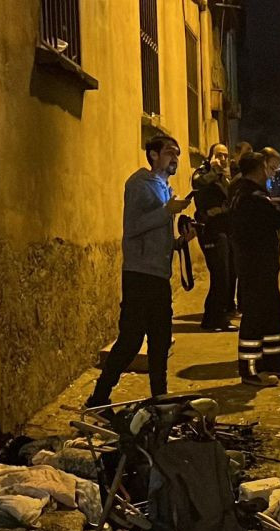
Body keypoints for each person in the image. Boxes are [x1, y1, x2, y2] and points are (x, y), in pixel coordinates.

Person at [87, 135, 194, 407]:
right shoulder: (139, 184)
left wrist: (180, 242)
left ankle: (160, 398)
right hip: (139, 274)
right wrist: (166, 211)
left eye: (177, 153)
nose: (175, 158)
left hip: (159, 276)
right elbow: (133, 227)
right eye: (169, 152)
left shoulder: (165, 188)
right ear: (153, 154)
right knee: (130, 341)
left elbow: (157, 235)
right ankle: (99, 397)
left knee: (160, 340)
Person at [230, 151, 280, 386]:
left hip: (261, 266)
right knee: (255, 316)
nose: (271, 173)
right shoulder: (253, 197)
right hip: (256, 266)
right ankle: (250, 370)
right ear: (258, 169)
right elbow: (276, 217)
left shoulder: (243, 193)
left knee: (272, 312)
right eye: (268, 168)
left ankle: (274, 362)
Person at [192, 142, 238, 331]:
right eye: (219, 155)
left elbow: (230, 196)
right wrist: (213, 170)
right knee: (220, 275)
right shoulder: (202, 173)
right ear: (210, 156)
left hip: (226, 229)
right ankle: (214, 319)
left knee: (228, 274)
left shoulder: (224, 176)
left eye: (226, 155)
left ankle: (216, 316)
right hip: (211, 231)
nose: (223, 159)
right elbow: (198, 184)